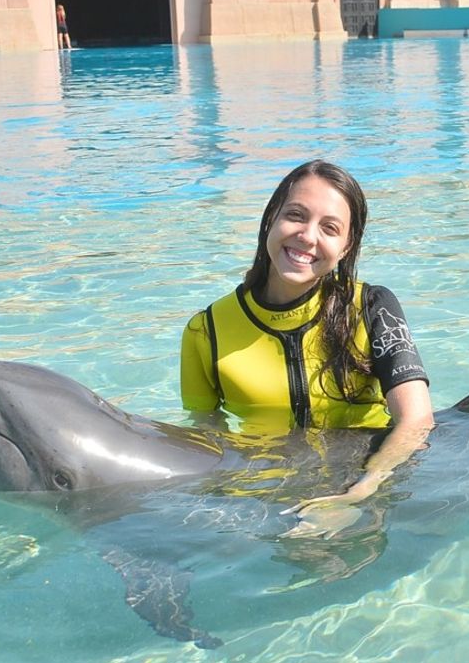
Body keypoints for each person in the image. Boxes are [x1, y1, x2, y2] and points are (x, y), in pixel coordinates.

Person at [180, 160, 434, 537]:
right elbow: (207, 437)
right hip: (264, 499)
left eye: (329, 228)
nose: (307, 237)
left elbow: (416, 421)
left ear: (346, 246)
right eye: (295, 216)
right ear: (270, 220)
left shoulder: (372, 308)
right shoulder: (207, 330)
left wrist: (358, 494)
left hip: (370, 486)